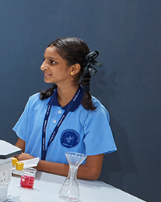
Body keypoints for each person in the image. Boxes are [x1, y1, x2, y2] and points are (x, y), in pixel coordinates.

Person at [13, 37, 115, 180]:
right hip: (27, 186)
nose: (43, 66)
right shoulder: (35, 102)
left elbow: (92, 171)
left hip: (67, 194)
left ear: (73, 69)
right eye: (44, 60)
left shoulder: (94, 112)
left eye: (52, 62)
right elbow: (18, 153)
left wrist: (37, 164)